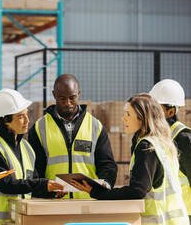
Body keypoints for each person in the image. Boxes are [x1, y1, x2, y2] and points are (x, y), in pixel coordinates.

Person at [71, 93, 189, 225]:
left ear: (142, 117)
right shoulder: (163, 143)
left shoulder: (146, 146)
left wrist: (97, 192)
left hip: (158, 221)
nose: (123, 119)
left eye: (128, 114)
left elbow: (137, 190)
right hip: (176, 220)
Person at [0, 88, 64, 225]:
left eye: (27, 115)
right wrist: (42, 184)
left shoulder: (27, 148)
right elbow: (6, 185)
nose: (27, 121)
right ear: (5, 120)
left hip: (20, 221)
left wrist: (50, 192)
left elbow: (30, 185)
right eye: (21, 116)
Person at [28, 73, 117, 199]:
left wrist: (105, 186)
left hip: (88, 202)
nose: (67, 103)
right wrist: (46, 191)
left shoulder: (95, 126)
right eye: (62, 98)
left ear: (79, 93)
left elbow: (107, 165)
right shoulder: (39, 128)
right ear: (54, 95)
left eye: (72, 97)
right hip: (52, 203)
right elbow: (35, 169)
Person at [150, 79, 191, 222]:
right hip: (164, 216)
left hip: (185, 215)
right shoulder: (155, 138)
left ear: (170, 111)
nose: (151, 111)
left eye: (156, 107)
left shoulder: (183, 138)